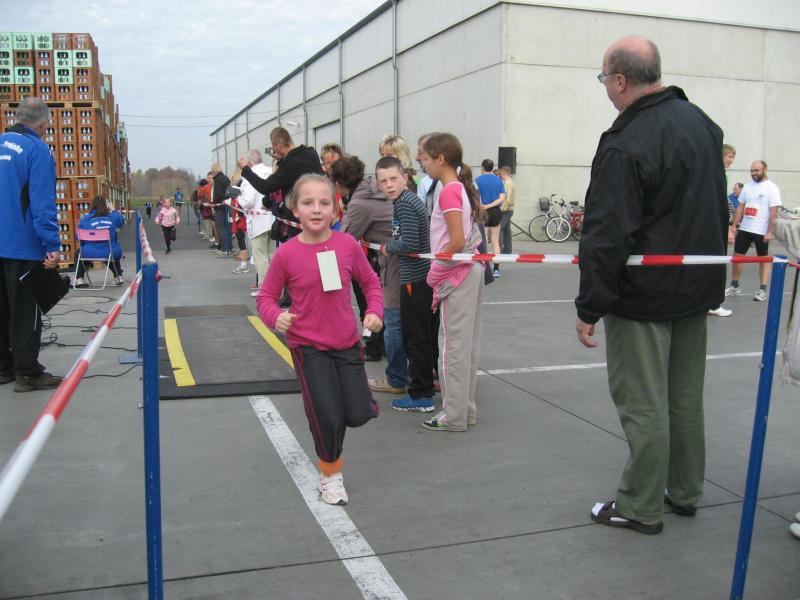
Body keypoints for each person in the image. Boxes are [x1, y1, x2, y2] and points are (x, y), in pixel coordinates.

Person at [576, 36, 727, 535]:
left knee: (643, 403)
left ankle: (640, 505)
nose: (605, 88)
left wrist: (590, 304)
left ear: (621, 80)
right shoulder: (702, 125)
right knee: (684, 397)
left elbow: (606, 232)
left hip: (642, 297)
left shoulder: (626, 141)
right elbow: (714, 209)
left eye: (604, 79)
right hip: (695, 290)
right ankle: (684, 490)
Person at [256, 174, 383, 505]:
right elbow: (266, 298)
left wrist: (375, 311)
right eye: (308, 203)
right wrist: (275, 316)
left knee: (357, 413)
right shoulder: (287, 254)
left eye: (324, 203)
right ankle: (331, 476)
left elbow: (371, 283)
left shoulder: (347, 245)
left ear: (336, 209)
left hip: (347, 343)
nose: (316, 209)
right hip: (308, 347)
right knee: (326, 414)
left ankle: (355, 405)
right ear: (295, 209)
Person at [419, 132, 484, 432]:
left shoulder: (448, 191)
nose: (422, 162)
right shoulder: (459, 188)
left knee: (452, 347)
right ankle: (464, 411)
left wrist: (435, 272)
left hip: (456, 274)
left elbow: (456, 240)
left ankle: (453, 415)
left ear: (440, 159)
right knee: (466, 345)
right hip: (468, 270)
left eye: (425, 157)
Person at [0, 97, 63, 392]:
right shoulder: (37, 149)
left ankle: (4, 367)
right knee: (27, 309)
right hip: (22, 244)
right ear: (43, 123)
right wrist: (51, 244)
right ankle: (28, 372)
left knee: (2, 308)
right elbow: (41, 202)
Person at [376, 156, 437, 413]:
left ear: (404, 177)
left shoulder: (404, 204)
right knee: (421, 336)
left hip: (415, 280)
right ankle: (425, 387)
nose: (389, 185)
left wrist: (388, 246)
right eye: (383, 181)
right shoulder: (407, 200)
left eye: (393, 178)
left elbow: (410, 243)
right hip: (420, 279)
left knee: (416, 338)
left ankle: (422, 396)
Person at [332, 155, 395, 367]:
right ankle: (380, 345)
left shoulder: (360, 202)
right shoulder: (371, 187)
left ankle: (379, 350)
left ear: (338, 184)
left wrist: (325, 275)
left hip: (392, 259)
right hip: (387, 255)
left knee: (387, 308)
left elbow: (343, 241)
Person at [238, 127, 324, 245]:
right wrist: (283, 159)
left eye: (273, 146)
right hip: (319, 214)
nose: (273, 150)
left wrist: (245, 169)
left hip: (299, 220)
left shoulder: (288, 164)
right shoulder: (311, 153)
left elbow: (265, 186)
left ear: (277, 145)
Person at [725, 160, 782, 302]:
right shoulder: (748, 187)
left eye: (756, 170)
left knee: (763, 259)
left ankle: (762, 290)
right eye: (752, 171)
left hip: (761, 230)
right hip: (745, 228)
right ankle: (734, 285)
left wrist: (769, 232)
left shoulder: (772, 188)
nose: (753, 173)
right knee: (738, 257)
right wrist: (734, 226)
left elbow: (773, 212)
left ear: (765, 170)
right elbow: (740, 208)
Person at [237, 149, 273, 297]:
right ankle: (276, 287)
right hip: (273, 219)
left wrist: (237, 197)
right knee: (272, 255)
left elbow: (248, 201)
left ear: (249, 162)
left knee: (260, 257)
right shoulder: (270, 171)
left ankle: (265, 289)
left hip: (258, 222)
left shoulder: (249, 175)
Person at [74, 195, 126, 287]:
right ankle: (118, 276)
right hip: (111, 252)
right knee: (111, 250)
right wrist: (114, 210)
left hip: (89, 252)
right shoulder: (112, 217)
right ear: (106, 205)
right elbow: (121, 222)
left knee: (79, 252)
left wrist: (86, 246)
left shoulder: (85, 219)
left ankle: (79, 279)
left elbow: (78, 237)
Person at [709, 144, 736, 318]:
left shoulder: (718, 173)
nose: (731, 160)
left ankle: (711, 303)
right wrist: (727, 229)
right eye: (729, 156)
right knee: (715, 264)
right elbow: (719, 204)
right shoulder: (717, 174)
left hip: (713, 225)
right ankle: (713, 304)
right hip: (714, 227)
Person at [475, 159, 505, 277]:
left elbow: (475, 197)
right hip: (496, 211)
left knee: (482, 240)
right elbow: (502, 198)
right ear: (492, 168)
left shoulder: (477, 180)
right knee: (495, 240)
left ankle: (484, 268)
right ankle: (496, 269)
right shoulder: (499, 180)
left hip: (482, 212)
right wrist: (491, 205)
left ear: (482, 168)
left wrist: (484, 206)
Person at [210, 164, 232, 255]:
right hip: (227, 205)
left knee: (221, 228)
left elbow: (217, 194)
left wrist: (213, 203)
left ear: (214, 171)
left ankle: (225, 248)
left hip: (220, 207)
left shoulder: (218, 180)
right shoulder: (226, 178)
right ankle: (228, 247)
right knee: (226, 227)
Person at [499, 166, 516, 255]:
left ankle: (499, 250)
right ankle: (507, 250)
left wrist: (501, 209)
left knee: (500, 229)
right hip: (509, 209)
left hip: (506, 210)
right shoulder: (511, 182)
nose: (500, 175)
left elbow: (507, 198)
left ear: (504, 173)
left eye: (501, 174)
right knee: (507, 231)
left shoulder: (507, 183)